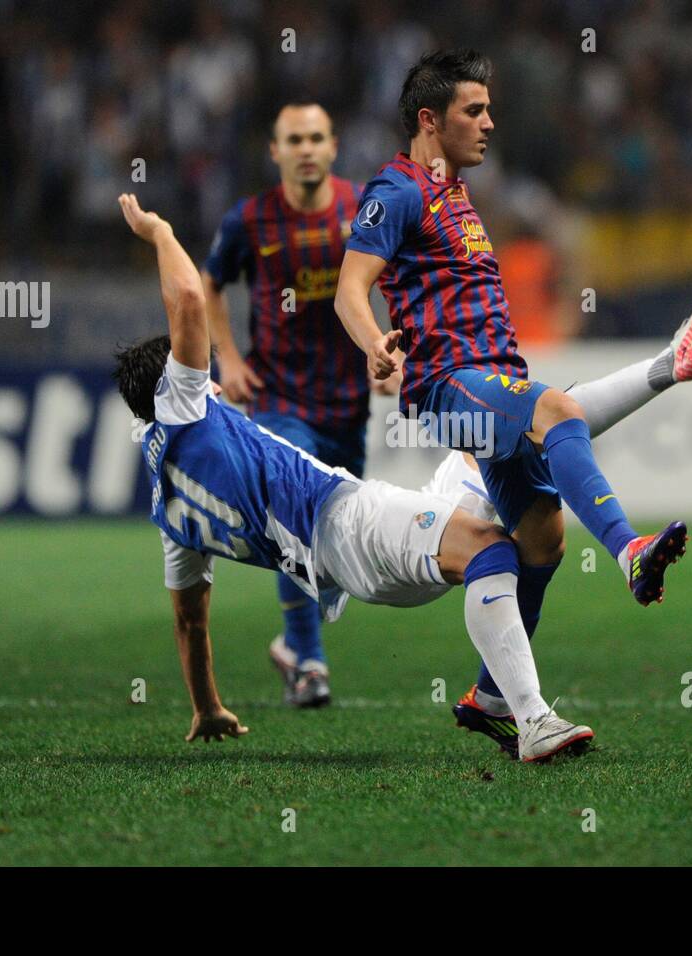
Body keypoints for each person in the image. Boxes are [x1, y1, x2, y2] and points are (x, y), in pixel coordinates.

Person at [335, 50, 692, 749]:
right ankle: (630, 550)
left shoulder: (457, 194)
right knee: (559, 412)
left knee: (541, 542)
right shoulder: (396, 190)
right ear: (430, 119)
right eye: (474, 110)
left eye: (489, 108)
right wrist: (375, 344)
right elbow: (349, 288)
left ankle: (499, 703)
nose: (490, 122)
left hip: (491, 380)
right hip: (449, 386)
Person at [113, 192, 594, 762]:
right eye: (197, 371)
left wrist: (207, 706)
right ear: (171, 386)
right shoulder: (185, 406)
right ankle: (529, 719)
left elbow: (190, 623)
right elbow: (190, 296)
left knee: (498, 445)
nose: (210, 378)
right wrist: (162, 232)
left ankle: (664, 368)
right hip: (345, 521)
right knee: (491, 551)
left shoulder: (169, 514)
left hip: (346, 563)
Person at [201, 102, 371, 709]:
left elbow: (397, 276)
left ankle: (293, 642)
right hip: (277, 397)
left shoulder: (363, 208)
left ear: (333, 146)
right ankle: (310, 661)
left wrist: (382, 351)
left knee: (335, 546)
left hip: (348, 401)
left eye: (316, 137)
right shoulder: (249, 220)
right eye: (293, 139)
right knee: (295, 516)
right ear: (275, 151)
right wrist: (229, 357)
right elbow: (209, 282)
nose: (305, 148)